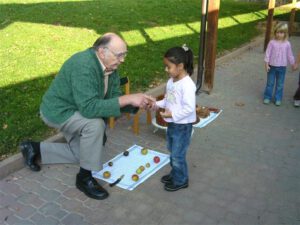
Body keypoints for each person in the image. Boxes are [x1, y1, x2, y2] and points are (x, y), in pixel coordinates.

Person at [19, 33, 153, 200]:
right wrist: (127, 98)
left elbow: (113, 98)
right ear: (102, 51)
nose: (122, 60)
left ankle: (34, 148)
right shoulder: (83, 65)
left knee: (84, 153)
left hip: (77, 109)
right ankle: (84, 178)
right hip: (59, 111)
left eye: (124, 55)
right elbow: (89, 109)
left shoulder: (111, 67)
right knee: (95, 126)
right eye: (119, 55)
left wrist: (135, 103)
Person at [150, 45, 196, 192]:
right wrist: (155, 104)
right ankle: (176, 173)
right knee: (172, 150)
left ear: (180, 66)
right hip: (173, 124)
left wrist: (172, 115)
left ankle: (181, 180)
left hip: (182, 126)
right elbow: (168, 101)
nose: (166, 70)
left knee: (177, 155)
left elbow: (189, 109)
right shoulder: (171, 81)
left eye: (168, 67)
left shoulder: (187, 85)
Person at [263, 22, 295, 106]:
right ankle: (267, 97)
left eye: (281, 32)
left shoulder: (287, 44)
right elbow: (267, 53)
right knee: (270, 83)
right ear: (275, 32)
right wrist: (266, 64)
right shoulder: (272, 42)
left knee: (280, 84)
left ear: (285, 33)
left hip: (282, 68)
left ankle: (278, 98)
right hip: (272, 66)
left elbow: (290, 55)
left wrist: (293, 64)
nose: (279, 34)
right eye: (277, 32)